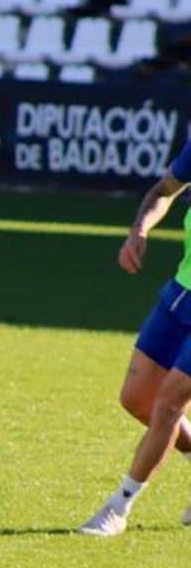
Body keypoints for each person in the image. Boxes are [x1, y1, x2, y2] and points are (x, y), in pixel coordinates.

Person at [80, 144, 191, 536]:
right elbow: (162, 191)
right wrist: (139, 230)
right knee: (137, 398)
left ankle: (118, 508)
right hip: (182, 292)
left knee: (169, 403)